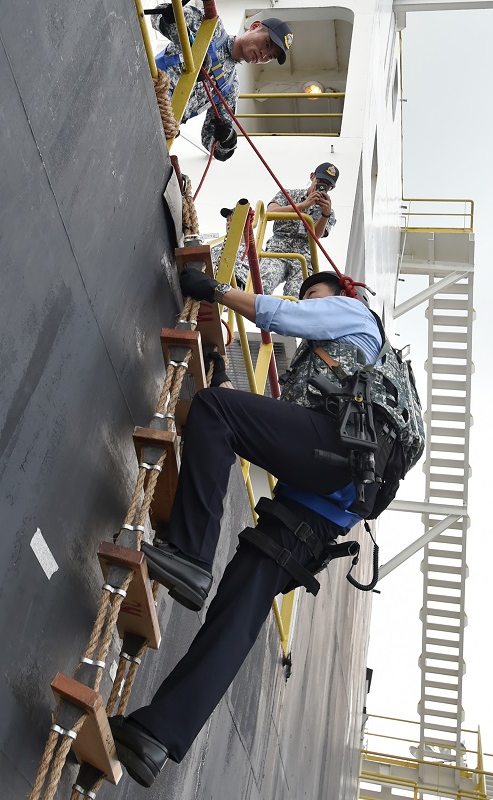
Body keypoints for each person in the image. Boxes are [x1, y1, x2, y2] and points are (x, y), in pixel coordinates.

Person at [108, 270, 399, 789]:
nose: (307, 299)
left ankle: (191, 554)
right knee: (237, 615)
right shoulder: (335, 374)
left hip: (333, 457)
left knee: (215, 412)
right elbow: (271, 432)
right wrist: (226, 384)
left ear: (342, 297)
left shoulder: (355, 315)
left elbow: (286, 316)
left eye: (316, 293)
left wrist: (217, 292)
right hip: (319, 511)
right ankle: (155, 736)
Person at [149, 4, 294, 160]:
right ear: (255, 26)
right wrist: (172, 18)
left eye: (270, 57)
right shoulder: (210, 26)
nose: (263, 54)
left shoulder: (230, 88)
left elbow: (211, 143)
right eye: (267, 44)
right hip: (145, 86)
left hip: (161, 128)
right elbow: (157, 16)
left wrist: (227, 140)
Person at [259, 163, 339, 297]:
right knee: (263, 284)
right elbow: (270, 213)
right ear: (312, 176)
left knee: (297, 296)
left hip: (303, 259)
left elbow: (315, 236)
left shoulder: (328, 211)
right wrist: (303, 205)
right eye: (320, 181)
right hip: (277, 252)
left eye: (327, 185)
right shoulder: (288, 194)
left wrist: (325, 214)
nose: (322, 187)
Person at [210, 207, 249, 289]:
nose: (228, 223)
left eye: (232, 220)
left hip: (239, 290)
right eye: (227, 220)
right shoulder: (215, 248)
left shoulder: (256, 252)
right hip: (213, 286)